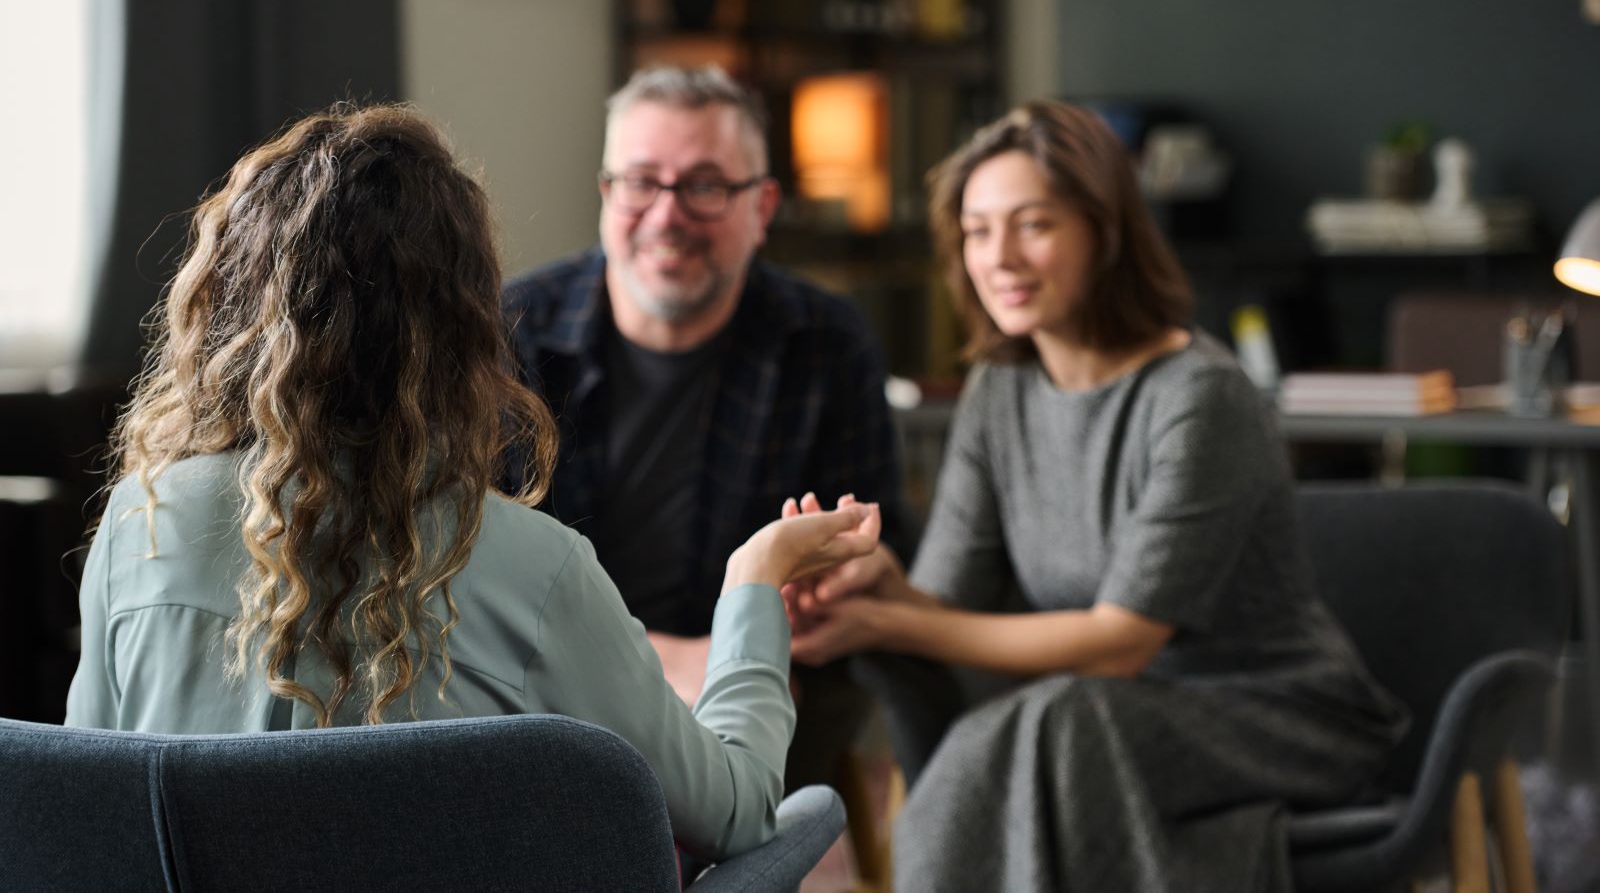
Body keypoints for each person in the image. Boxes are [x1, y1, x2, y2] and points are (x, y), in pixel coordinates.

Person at [64, 103, 881, 862]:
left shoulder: (142, 519)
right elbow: (735, 810)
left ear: (231, 301)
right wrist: (756, 581)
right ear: (466, 327)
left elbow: (89, 810)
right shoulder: (536, 567)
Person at [786, 101, 1409, 891]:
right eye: (977, 230)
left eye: (1032, 224)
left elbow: (1122, 643)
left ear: (1105, 231)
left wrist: (888, 617)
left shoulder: (1200, 396)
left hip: (1282, 717)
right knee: (1056, 720)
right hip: (1103, 721)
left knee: (1058, 718)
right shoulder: (998, 391)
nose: (999, 256)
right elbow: (946, 610)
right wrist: (873, 583)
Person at [500, 65, 910, 792]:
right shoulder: (512, 332)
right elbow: (477, 569)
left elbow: (884, 555)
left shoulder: (827, 342)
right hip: (549, 683)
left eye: (706, 185)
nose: (667, 215)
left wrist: (841, 577)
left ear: (764, 206)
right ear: (605, 193)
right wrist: (657, 662)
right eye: (640, 181)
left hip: (758, 682)